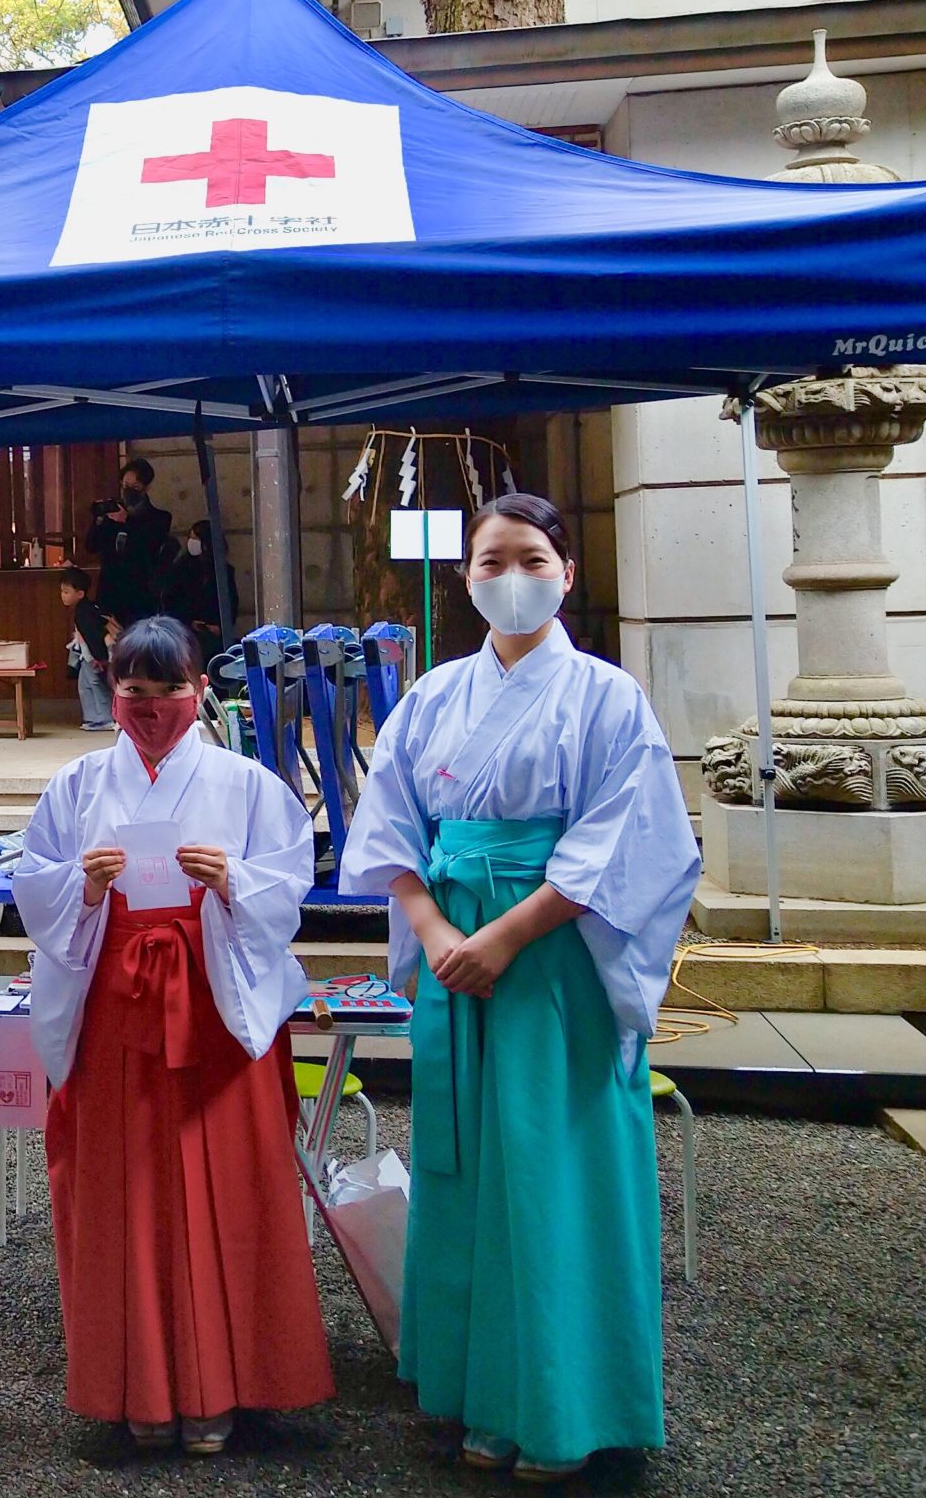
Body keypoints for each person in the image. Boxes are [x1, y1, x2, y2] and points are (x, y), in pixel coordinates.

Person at [337, 493, 697, 1482]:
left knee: (549, 1171)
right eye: (488, 562)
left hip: (552, 956)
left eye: (528, 558)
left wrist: (501, 936)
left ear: (565, 572)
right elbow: (389, 829)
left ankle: (559, 1401)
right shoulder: (434, 695)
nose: (508, 578)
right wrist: (433, 930)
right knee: (464, 1177)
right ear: (464, 579)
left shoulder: (606, 699)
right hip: (454, 943)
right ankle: (472, 1394)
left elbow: (621, 838)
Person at [11, 616, 334, 1456]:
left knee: (236, 1189)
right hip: (116, 1000)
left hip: (215, 999)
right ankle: (137, 1395)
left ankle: (235, 1388)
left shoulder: (246, 783)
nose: (151, 711)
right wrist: (79, 887)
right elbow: (32, 883)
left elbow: (290, 882)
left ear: (200, 693)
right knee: (122, 1194)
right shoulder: (80, 784)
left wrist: (236, 882)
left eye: (169, 693)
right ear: (114, 694)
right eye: (134, 694)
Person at [84, 458, 174, 625]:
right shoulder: (111, 514)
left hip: (139, 595)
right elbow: (91, 546)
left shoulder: (159, 518)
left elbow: (149, 546)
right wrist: (98, 520)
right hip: (109, 593)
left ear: (146, 487)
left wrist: (127, 521)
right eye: (125, 485)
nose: (129, 490)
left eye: (135, 486)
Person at [161, 520, 236, 658]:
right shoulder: (180, 568)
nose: (192, 542)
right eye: (191, 538)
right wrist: (189, 621)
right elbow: (170, 599)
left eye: (196, 538)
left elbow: (231, 601)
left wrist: (220, 626)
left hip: (213, 634)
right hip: (186, 632)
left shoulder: (223, 570)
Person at [58, 567, 113, 731]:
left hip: (92, 656)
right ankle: (93, 717)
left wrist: (98, 658)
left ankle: (105, 717)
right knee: (85, 684)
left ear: (80, 594)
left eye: (66, 592)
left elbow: (93, 636)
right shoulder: (87, 609)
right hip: (88, 655)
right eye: (62, 591)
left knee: (94, 683)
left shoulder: (84, 613)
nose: (63, 595)